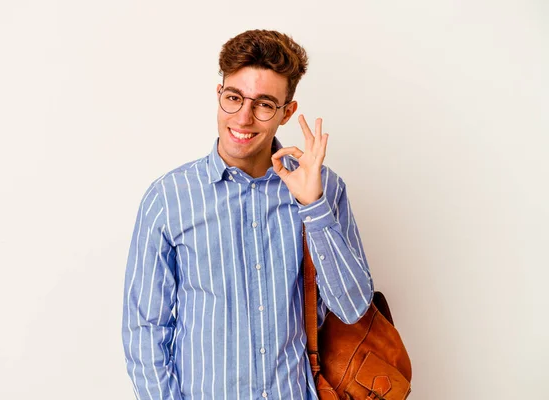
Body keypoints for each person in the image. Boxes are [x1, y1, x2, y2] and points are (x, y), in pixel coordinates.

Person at [122, 29, 374, 400]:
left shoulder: (323, 188)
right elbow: (145, 328)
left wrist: (313, 206)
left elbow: (352, 309)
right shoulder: (169, 198)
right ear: (219, 95)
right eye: (233, 98)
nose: (243, 118)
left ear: (287, 112)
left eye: (264, 104)